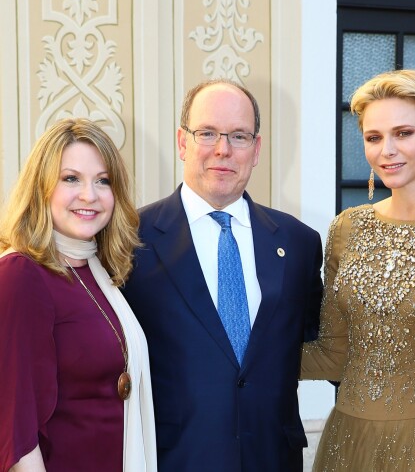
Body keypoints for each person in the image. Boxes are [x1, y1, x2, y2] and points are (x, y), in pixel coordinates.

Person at [122, 79, 324, 471]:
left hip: (273, 459)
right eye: (208, 133)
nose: (223, 149)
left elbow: (313, 343)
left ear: (257, 149)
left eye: (239, 136)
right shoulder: (131, 240)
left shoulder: (299, 243)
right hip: (174, 459)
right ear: (182, 142)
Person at [301, 69, 415, 471]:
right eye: (374, 137)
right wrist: (241, 354)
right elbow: (334, 352)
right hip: (350, 441)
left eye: (403, 133)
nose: (387, 150)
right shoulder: (346, 228)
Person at [0, 118, 156, 472]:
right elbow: (15, 430)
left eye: (103, 181)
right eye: (71, 178)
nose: (89, 195)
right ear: (42, 187)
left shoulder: (99, 272)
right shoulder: (20, 274)